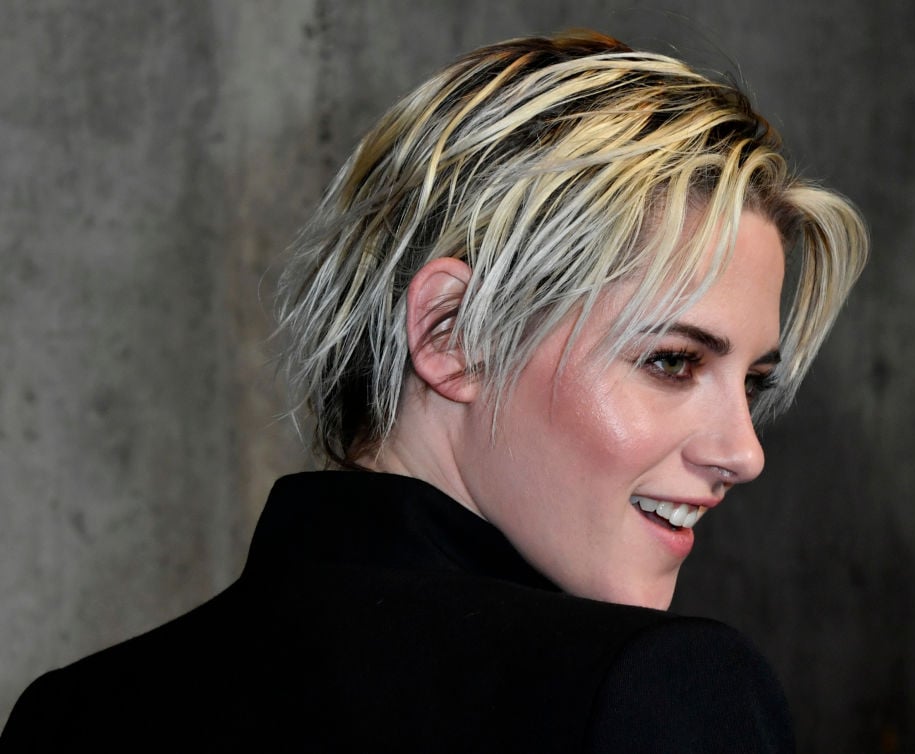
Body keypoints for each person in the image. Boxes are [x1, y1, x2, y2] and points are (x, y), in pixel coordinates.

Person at [1, 30, 867, 752]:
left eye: (753, 382)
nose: (744, 453)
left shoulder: (70, 714)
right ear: (453, 334)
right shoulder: (652, 692)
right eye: (673, 362)